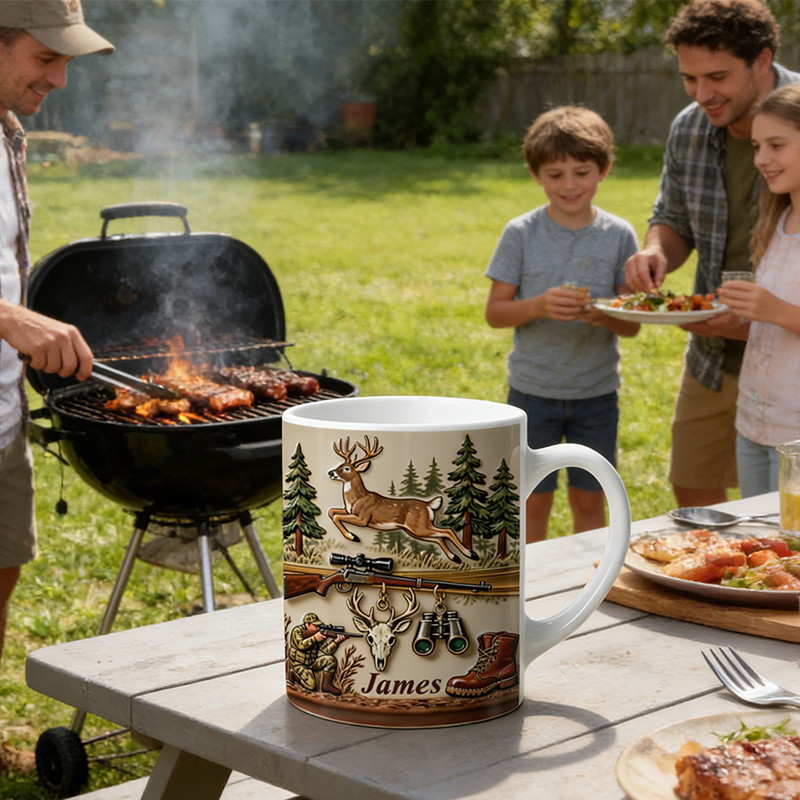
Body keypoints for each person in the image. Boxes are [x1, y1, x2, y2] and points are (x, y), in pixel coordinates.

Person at [625, 0, 800, 508]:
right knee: (695, 494)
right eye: (689, 78)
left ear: (762, 60)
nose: (703, 94)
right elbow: (673, 219)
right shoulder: (690, 127)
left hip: (786, 358)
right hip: (713, 354)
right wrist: (655, 250)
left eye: (718, 76)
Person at [0, 0, 113, 773]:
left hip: (1, 407)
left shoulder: (7, 131)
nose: (61, 78)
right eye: (46, 57)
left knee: (1, 571)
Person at [484, 105, 640, 543]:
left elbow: (632, 326)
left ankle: (584, 580)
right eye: (555, 174)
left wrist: (603, 314)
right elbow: (496, 312)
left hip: (597, 395)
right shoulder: (521, 233)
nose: (569, 185)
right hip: (533, 392)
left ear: (604, 170)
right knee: (533, 501)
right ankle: (534, 586)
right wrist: (538, 306)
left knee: (590, 500)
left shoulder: (619, 235)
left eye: (581, 172)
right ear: (536, 175)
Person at [717, 84, 800, 496]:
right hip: (752, 423)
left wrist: (775, 309)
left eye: (776, 145)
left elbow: (781, 312)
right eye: (756, 146)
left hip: (797, 435)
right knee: (762, 550)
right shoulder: (776, 223)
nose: (761, 159)